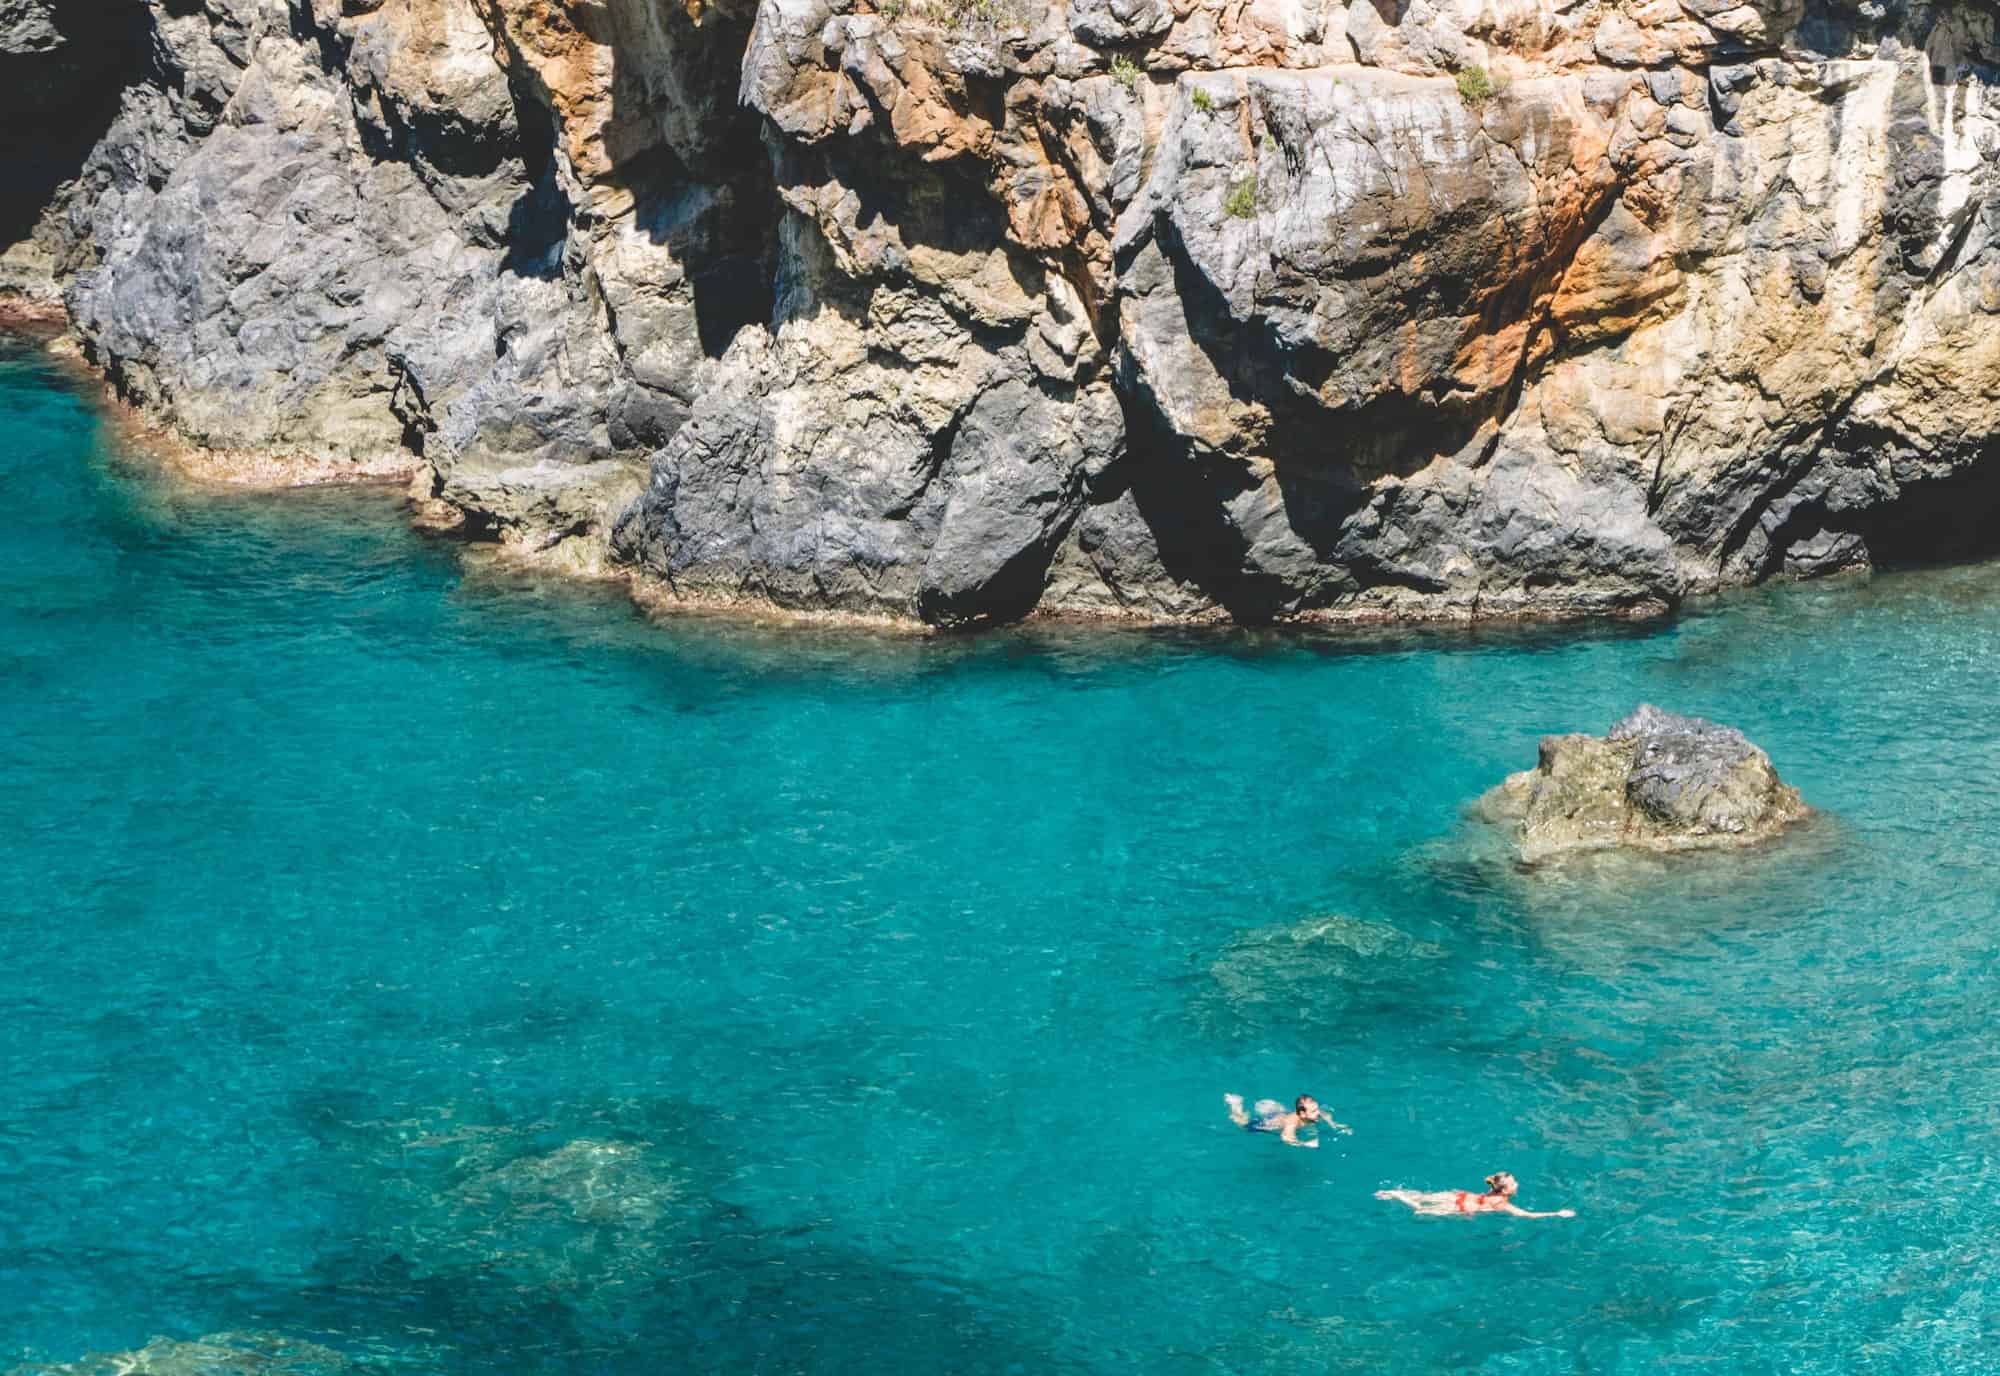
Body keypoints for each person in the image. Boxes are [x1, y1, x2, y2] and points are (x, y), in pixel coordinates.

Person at [1374, 1172, 1574, 1218]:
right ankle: (1397, 1195)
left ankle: (1395, 1192)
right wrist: (1557, 1213)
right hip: (1464, 1206)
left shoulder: (1493, 1192)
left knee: (1423, 1195)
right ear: (1504, 1191)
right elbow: (1527, 1215)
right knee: (1420, 1210)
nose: (1517, 1184)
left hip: (1462, 1196)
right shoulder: (1501, 1203)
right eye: (1513, 1184)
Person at [1223, 1092, 1350, 1148]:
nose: (1318, 1113)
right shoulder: (1292, 1123)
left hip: (1282, 1115)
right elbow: (1286, 1138)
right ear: (1303, 1114)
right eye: (1313, 1111)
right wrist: (1306, 1144)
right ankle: (1235, 1104)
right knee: (1243, 1125)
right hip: (1266, 1124)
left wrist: (1336, 1125)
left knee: (1279, 1113)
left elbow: (1326, 1115)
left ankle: (1269, 1107)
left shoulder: (1313, 1114)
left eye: (1316, 1109)